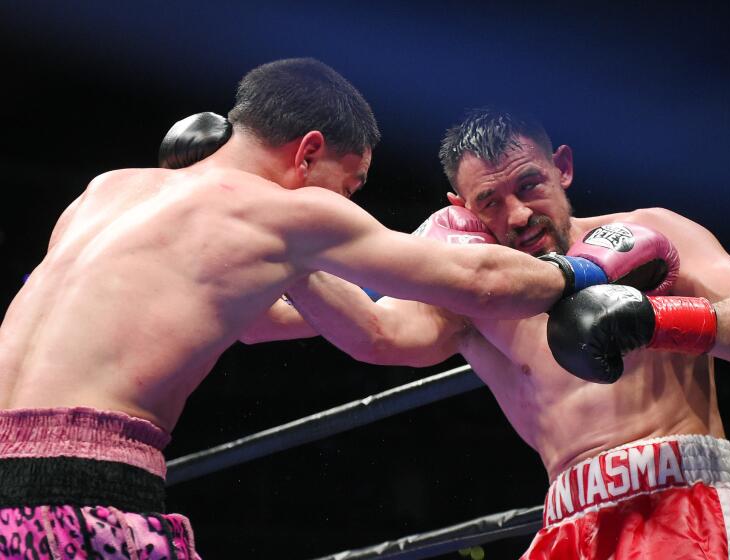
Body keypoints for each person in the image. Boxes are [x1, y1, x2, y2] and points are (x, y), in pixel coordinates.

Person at [0, 62, 593, 559]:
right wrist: (591, 268)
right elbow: (484, 282)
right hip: (83, 486)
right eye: (351, 185)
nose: (347, 202)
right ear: (309, 151)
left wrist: (347, 290)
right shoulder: (288, 213)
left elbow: (257, 323)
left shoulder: (104, 190)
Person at [266, 109, 730, 559]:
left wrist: (655, 320)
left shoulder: (653, 229)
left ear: (563, 167)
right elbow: (375, 333)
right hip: (566, 522)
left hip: (681, 503)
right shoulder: (476, 297)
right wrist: (291, 248)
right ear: (462, 209)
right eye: (491, 202)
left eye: (530, 185)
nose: (520, 214)